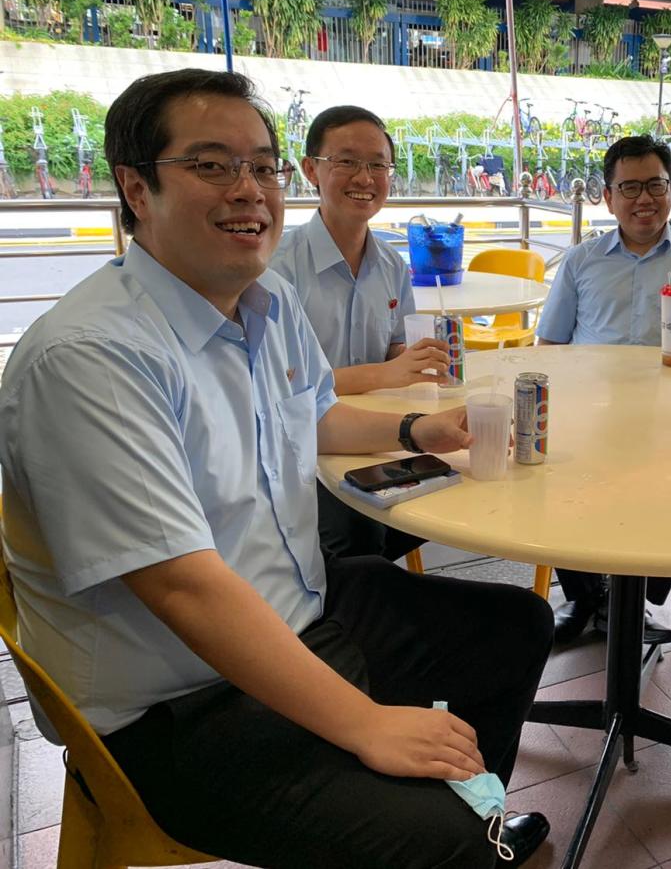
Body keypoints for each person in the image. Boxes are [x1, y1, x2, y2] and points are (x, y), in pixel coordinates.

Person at [0, 69, 553, 869]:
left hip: (300, 616)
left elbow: (314, 414)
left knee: (514, 627)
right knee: (441, 845)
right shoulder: (92, 358)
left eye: (262, 167)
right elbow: (183, 584)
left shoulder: (264, 302)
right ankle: (463, 836)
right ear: (136, 186)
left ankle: (474, 812)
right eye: (212, 165)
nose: (249, 190)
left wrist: (417, 425)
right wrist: (366, 724)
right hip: (178, 706)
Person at [536, 134, 671, 646]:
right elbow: (550, 343)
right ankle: (586, 594)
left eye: (656, 185)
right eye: (629, 187)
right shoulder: (581, 261)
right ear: (608, 196)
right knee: (550, 472)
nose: (644, 199)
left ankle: (635, 594)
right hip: (589, 409)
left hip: (669, 413)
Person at [270, 105, 449, 565]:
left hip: (373, 438)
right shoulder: (277, 268)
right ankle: (347, 612)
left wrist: (419, 357)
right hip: (302, 452)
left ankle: (367, 596)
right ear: (311, 169)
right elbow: (287, 389)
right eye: (346, 161)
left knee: (455, 485)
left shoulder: (390, 265)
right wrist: (390, 372)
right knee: (358, 527)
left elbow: (395, 351)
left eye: (377, 165)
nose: (364, 177)